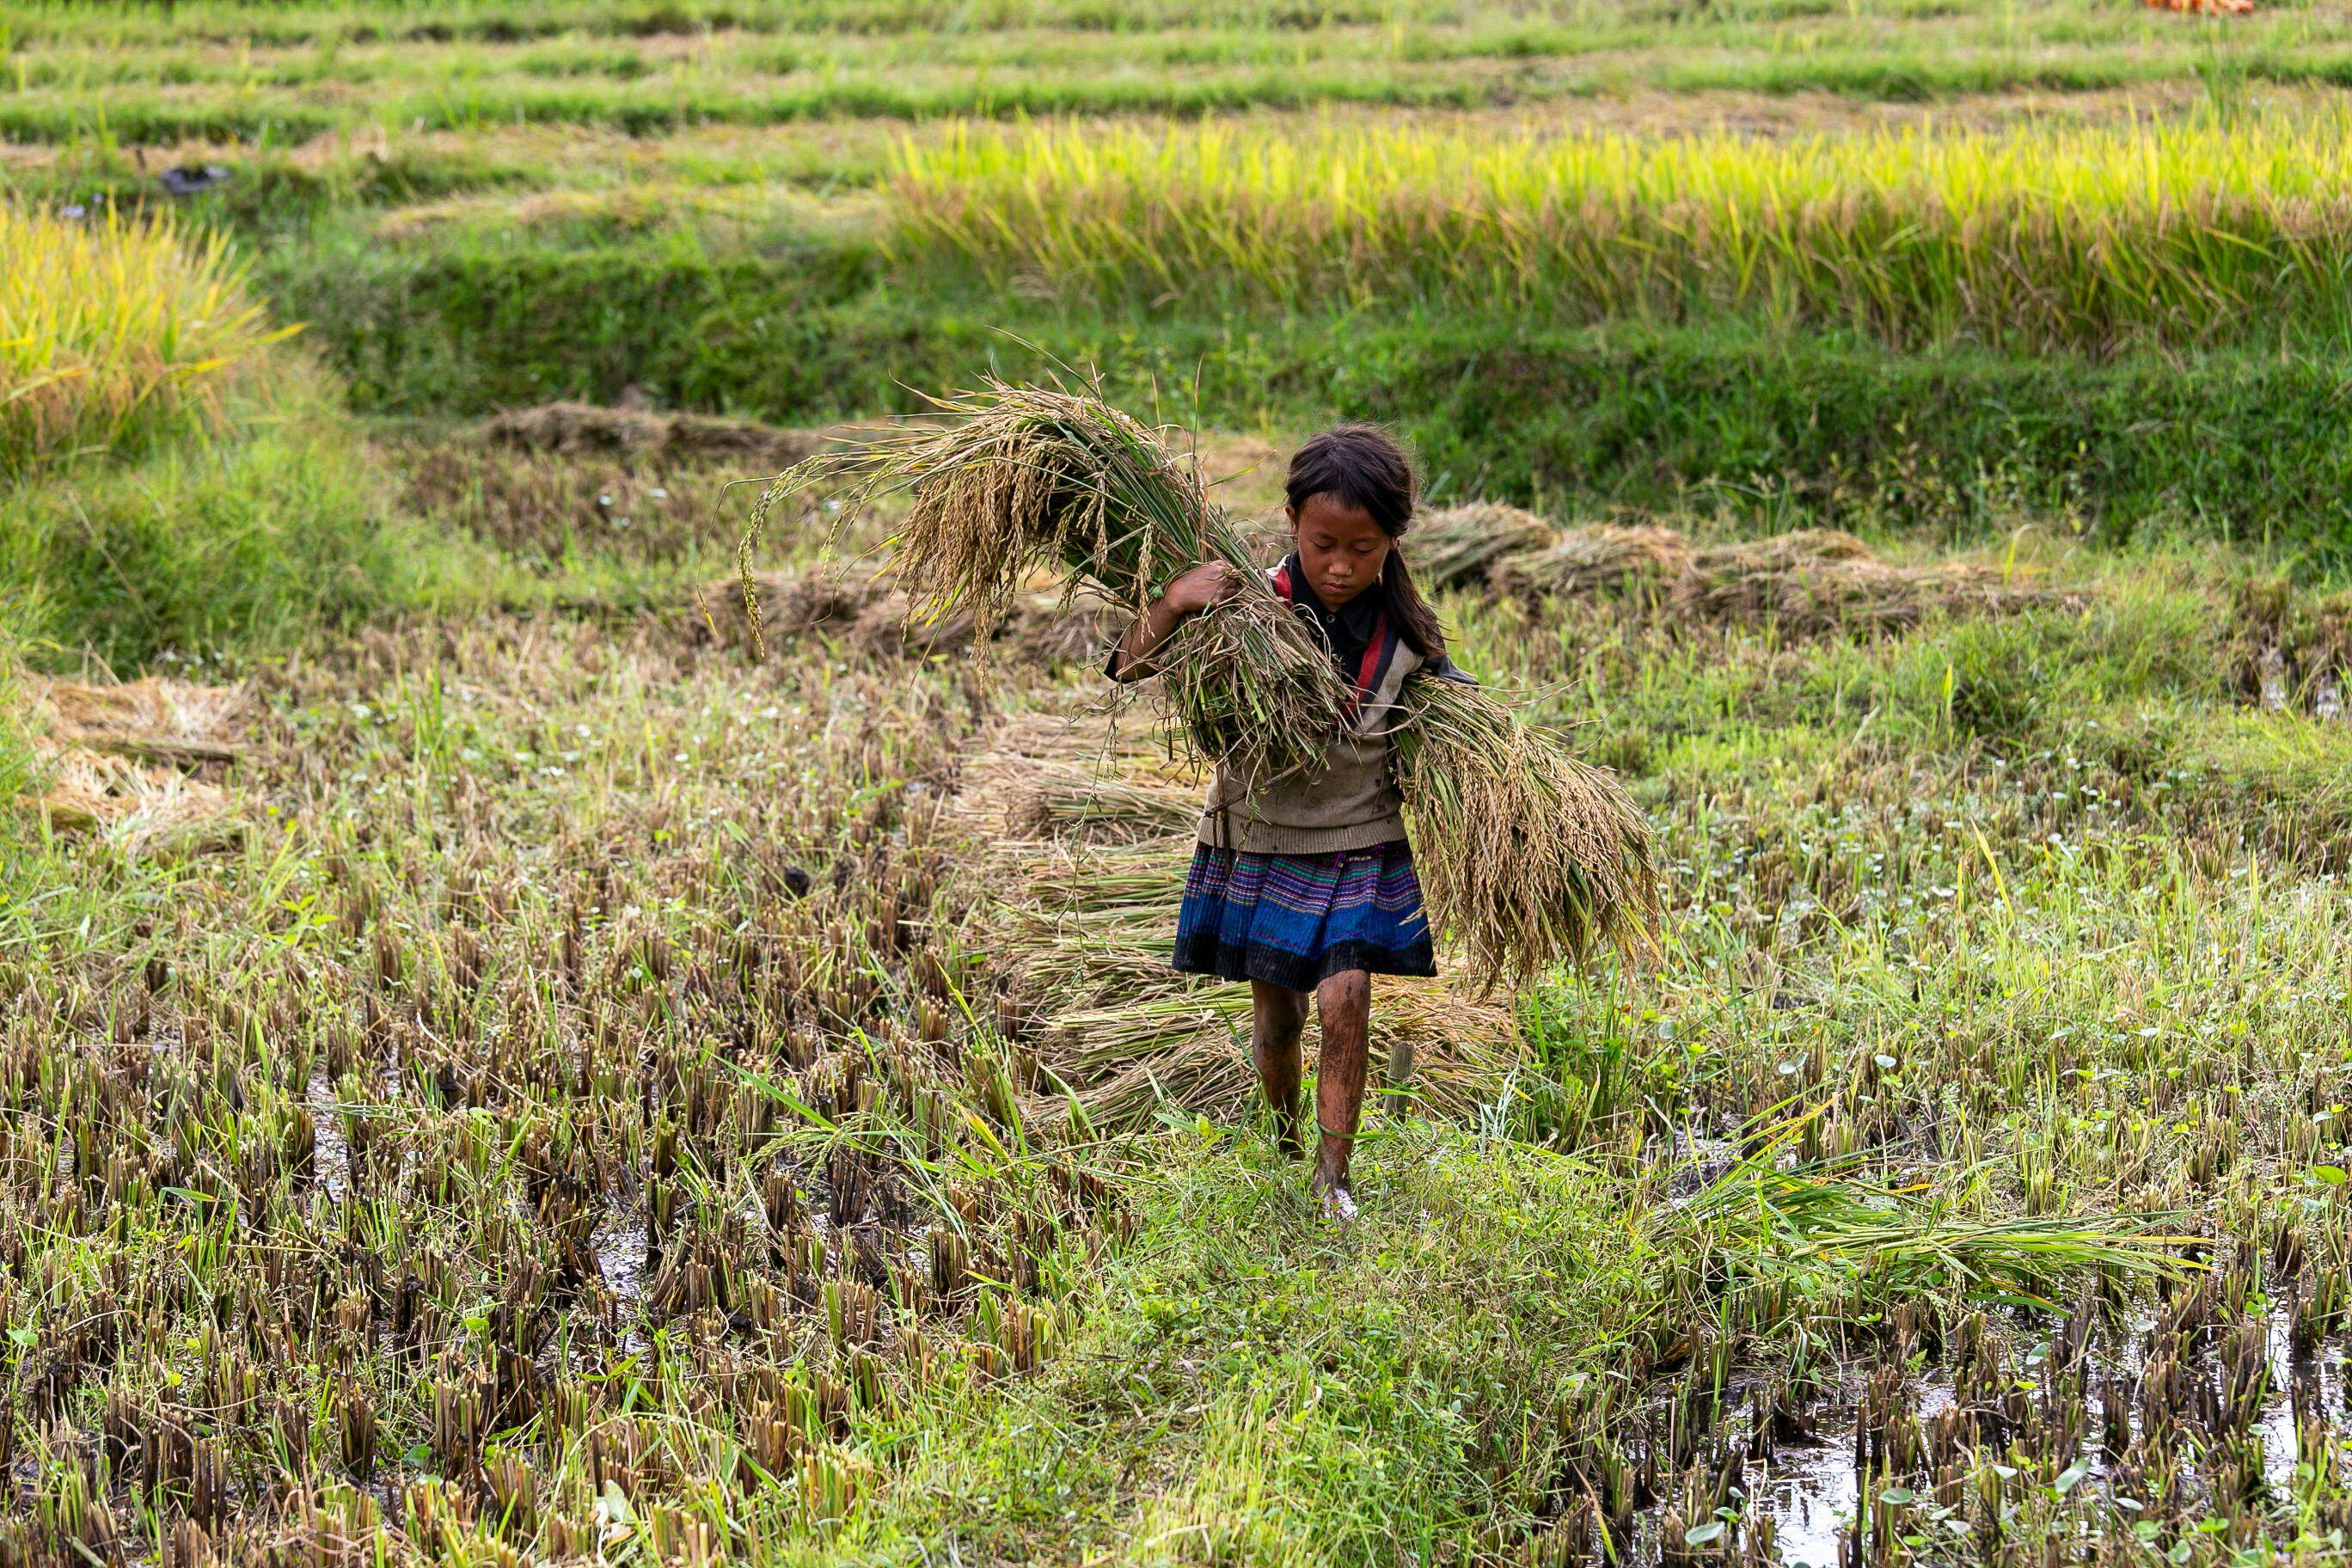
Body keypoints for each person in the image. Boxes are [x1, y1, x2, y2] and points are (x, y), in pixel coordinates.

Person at [1106, 423, 1467, 1221]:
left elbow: (1454, 718)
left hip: (1360, 838)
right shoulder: (1248, 606)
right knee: (1279, 1017)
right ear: (1293, 523)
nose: (1341, 566)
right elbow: (1126, 665)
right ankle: (1281, 1145)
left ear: (1393, 542)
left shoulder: (1408, 637)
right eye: (1323, 543)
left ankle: (1334, 1181)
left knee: (1347, 996)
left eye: (1363, 548)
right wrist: (1172, 602)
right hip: (1264, 834)